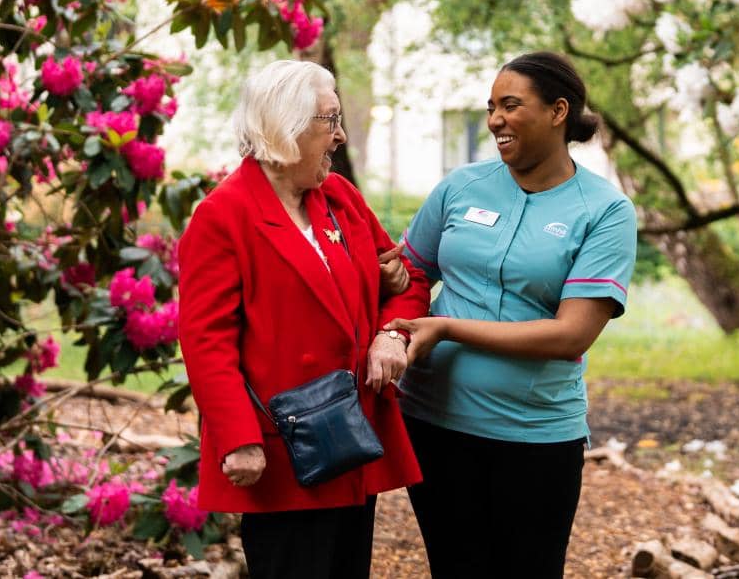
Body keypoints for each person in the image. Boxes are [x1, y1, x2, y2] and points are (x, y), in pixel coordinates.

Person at [387, 51, 637, 579]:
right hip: (434, 423)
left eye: (510, 105)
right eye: (491, 107)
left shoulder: (605, 211)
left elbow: (571, 334)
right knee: (455, 568)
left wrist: (448, 327)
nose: (495, 119)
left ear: (557, 111)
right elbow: (409, 270)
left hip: (536, 438)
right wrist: (392, 299)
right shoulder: (461, 187)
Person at [178, 59, 429, 579]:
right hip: (283, 447)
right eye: (328, 120)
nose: (338, 136)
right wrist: (238, 437)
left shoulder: (340, 197)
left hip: (352, 436)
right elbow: (206, 342)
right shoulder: (223, 215)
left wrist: (390, 335)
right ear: (284, 127)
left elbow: (407, 283)